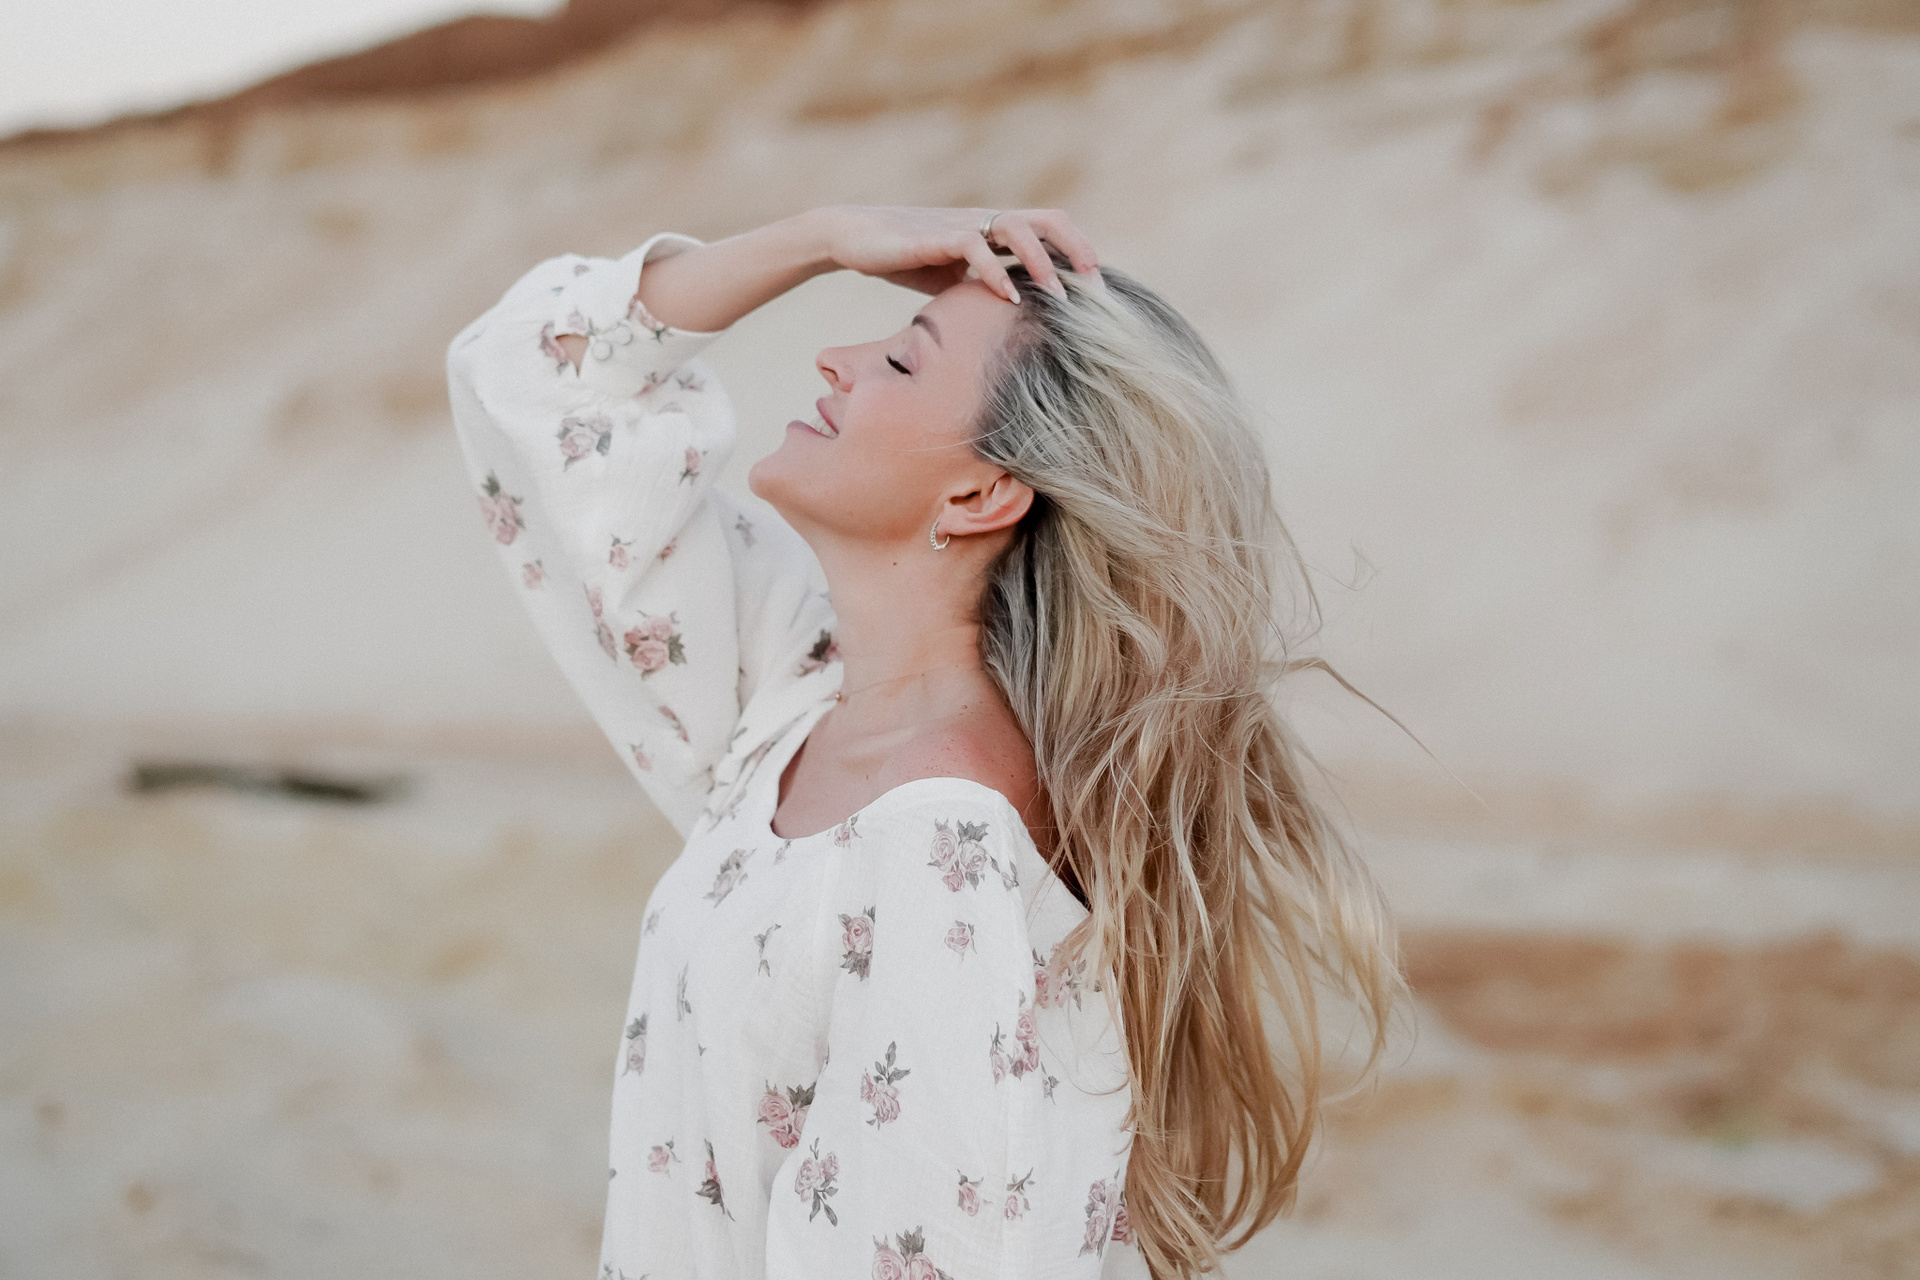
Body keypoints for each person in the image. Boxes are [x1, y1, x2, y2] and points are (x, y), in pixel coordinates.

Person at [446, 206, 1400, 1280]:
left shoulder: (942, 839)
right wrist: (822, 238)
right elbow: (539, 374)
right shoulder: (803, 690)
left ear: (982, 492)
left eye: (902, 359)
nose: (837, 358)